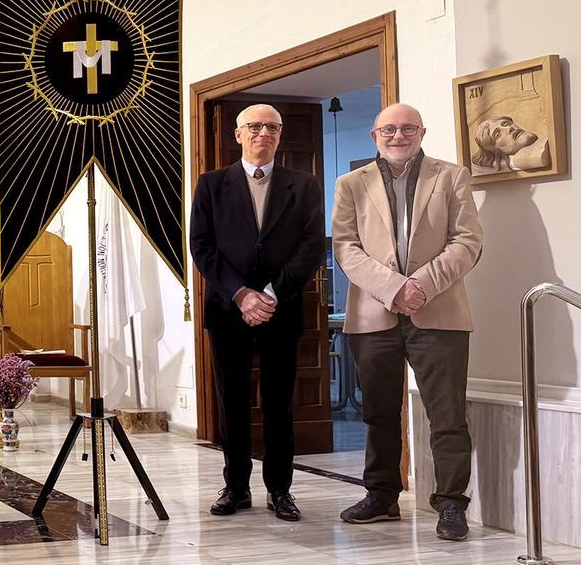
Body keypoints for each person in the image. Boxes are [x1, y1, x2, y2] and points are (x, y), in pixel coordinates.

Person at [333, 103, 483, 541]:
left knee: (448, 414)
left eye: (407, 128)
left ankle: (452, 504)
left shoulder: (451, 176)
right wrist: (393, 287)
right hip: (373, 314)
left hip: (439, 311)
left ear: (422, 131)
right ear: (375, 136)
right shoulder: (350, 184)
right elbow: (346, 247)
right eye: (389, 130)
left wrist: (420, 284)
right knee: (379, 413)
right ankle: (381, 497)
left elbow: (468, 241)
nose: (398, 136)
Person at [189, 104, 324, 522]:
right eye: (254, 126)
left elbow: (311, 246)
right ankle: (236, 486)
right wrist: (241, 295)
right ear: (238, 134)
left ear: (280, 136)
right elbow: (202, 246)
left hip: (280, 310)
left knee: (279, 403)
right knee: (231, 401)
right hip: (228, 310)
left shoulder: (304, 185)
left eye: (271, 127)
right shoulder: (211, 184)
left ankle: (281, 490)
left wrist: (269, 294)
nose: (263, 133)